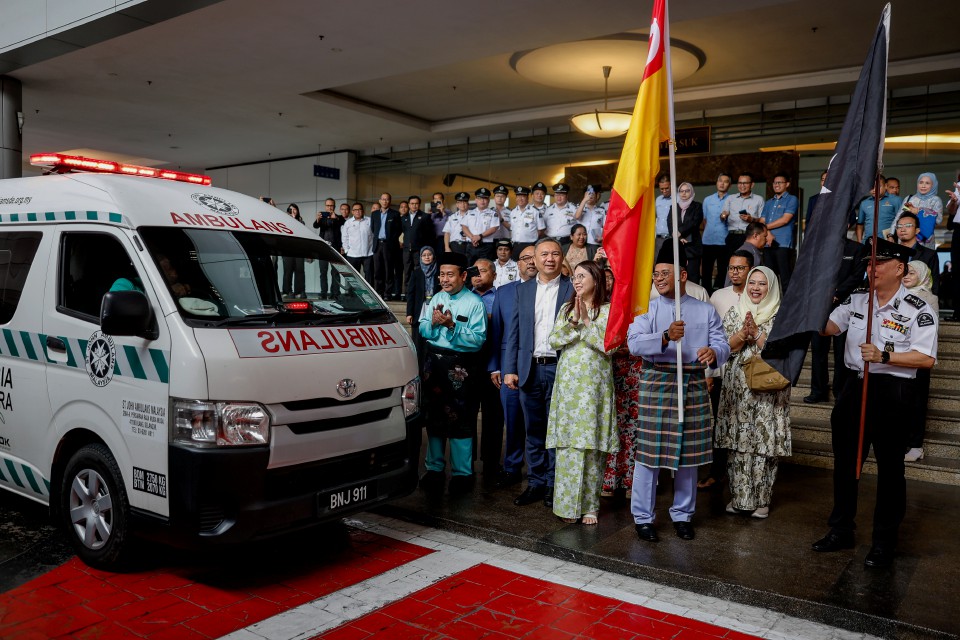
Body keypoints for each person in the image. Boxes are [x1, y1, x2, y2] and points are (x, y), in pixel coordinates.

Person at [812, 238, 937, 568]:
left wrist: (885, 356)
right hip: (855, 387)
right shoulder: (857, 300)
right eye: (869, 262)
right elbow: (827, 328)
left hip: (893, 391)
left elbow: (926, 358)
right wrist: (817, 302)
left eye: (879, 262)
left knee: (890, 470)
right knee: (845, 464)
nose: (871, 268)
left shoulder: (917, 309)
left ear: (899, 269)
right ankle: (841, 529)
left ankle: (884, 542)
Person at [626, 244, 729, 542]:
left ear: (682, 275)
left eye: (664, 273)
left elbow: (722, 343)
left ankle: (683, 515)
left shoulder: (705, 310)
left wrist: (714, 352)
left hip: (693, 382)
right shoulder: (647, 308)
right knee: (648, 455)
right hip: (656, 381)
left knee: (688, 454)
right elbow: (634, 343)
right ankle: (643, 518)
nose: (658, 279)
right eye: (655, 274)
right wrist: (664, 336)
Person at [503, 238, 574, 508]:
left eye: (555, 254)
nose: (549, 259)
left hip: (560, 368)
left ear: (561, 258)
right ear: (534, 259)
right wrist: (510, 369)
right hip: (529, 369)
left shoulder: (572, 288)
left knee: (557, 430)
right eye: (544, 254)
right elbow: (514, 332)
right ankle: (536, 482)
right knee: (533, 429)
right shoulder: (523, 290)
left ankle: (554, 485)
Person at [715, 266, 791, 519]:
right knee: (738, 444)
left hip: (768, 390)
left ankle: (761, 500)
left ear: (771, 287)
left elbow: (780, 351)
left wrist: (757, 334)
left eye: (762, 283)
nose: (755, 288)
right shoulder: (736, 311)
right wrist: (742, 334)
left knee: (763, 443)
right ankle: (740, 499)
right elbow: (723, 347)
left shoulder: (781, 315)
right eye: (752, 282)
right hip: (738, 389)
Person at [546, 261, 618, 525]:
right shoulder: (566, 309)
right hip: (568, 387)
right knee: (568, 446)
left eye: (581, 276)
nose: (576, 281)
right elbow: (554, 340)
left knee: (592, 447)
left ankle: (590, 506)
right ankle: (566, 507)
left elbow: (609, 347)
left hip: (595, 389)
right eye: (574, 277)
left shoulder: (608, 310)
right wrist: (574, 321)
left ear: (596, 280)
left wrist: (587, 321)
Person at [417, 252, 488, 495]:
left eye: (450, 275)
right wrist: (434, 323)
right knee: (434, 419)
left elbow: (478, 340)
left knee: (461, 421)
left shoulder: (475, 303)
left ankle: (462, 473)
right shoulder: (436, 298)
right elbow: (423, 328)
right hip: (433, 366)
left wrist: (451, 325)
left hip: (461, 368)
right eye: (441, 275)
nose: (444, 280)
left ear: (463, 276)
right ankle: (434, 469)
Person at [698, 249, 754, 490]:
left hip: (751, 370)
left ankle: (745, 475)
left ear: (751, 269)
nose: (734, 272)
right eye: (731, 268)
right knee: (721, 422)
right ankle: (717, 471)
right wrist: (709, 373)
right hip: (722, 370)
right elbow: (709, 337)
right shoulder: (718, 296)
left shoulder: (757, 294)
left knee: (747, 423)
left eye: (740, 268)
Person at [488, 245, 538, 489]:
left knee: (538, 424)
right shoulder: (504, 292)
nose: (531, 262)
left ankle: (540, 474)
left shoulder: (548, 291)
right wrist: (495, 367)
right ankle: (512, 468)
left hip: (539, 368)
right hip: (510, 368)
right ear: (517, 264)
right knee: (513, 422)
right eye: (526, 258)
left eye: (534, 257)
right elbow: (497, 332)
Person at [902, 260, 937, 463]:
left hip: (918, 358)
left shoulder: (929, 299)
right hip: (896, 358)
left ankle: (916, 446)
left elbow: (930, 331)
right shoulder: (896, 294)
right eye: (905, 272)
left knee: (917, 403)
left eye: (912, 273)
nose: (907, 276)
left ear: (922, 276)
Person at [760, 173, 798, 291]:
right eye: (775, 183)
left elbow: (785, 220)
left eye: (779, 182)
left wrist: (765, 228)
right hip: (767, 243)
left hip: (783, 243)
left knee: (785, 277)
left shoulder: (792, 199)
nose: (776, 185)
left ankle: (789, 302)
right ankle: (773, 302)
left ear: (787, 184)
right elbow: (762, 221)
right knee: (770, 277)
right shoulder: (768, 202)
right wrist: (768, 233)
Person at [406, 246, 439, 372]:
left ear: (433, 256)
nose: (427, 257)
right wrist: (409, 313)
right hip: (419, 310)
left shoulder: (438, 272)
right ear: (420, 257)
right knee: (418, 342)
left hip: (435, 309)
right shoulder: (417, 272)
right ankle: (418, 370)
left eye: (429, 254)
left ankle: (431, 370)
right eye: (424, 255)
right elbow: (411, 294)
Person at [721, 173, 765, 264]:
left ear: (752, 184)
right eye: (740, 183)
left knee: (748, 263)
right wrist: (723, 216)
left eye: (745, 183)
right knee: (730, 263)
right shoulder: (730, 198)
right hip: (732, 236)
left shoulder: (759, 199)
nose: (742, 185)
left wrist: (751, 219)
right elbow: (722, 217)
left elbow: (762, 221)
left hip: (748, 237)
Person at [701, 173, 732, 292]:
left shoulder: (732, 199)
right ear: (716, 183)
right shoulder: (707, 200)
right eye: (720, 181)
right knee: (706, 271)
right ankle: (706, 294)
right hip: (708, 240)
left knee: (723, 270)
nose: (722, 183)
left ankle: (720, 294)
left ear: (730, 185)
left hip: (724, 241)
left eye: (726, 181)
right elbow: (704, 220)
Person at [895, 211, 939, 294]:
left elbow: (934, 284)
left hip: (920, 297)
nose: (902, 229)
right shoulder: (891, 253)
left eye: (908, 226)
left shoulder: (929, 254)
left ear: (917, 230)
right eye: (899, 226)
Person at [668, 182, 704, 283]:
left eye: (687, 191)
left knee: (693, 277)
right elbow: (670, 222)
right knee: (678, 278)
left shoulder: (697, 206)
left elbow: (695, 222)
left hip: (692, 247)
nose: (684, 193)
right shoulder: (674, 207)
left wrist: (681, 232)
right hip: (678, 246)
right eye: (681, 191)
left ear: (691, 192)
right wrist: (677, 237)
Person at [897, 172, 943, 248]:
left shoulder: (936, 200)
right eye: (921, 182)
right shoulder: (909, 198)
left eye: (927, 183)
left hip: (925, 241)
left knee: (924, 255)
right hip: (906, 239)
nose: (923, 186)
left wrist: (919, 211)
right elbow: (899, 216)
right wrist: (891, 234)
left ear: (933, 185)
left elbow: (938, 220)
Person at [401, 195, 434, 301]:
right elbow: (403, 232)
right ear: (409, 204)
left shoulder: (425, 216)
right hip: (407, 249)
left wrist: (426, 249)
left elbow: (430, 234)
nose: (414, 205)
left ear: (419, 205)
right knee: (407, 272)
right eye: (412, 203)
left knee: (420, 272)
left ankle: (419, 293)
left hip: (420, 250)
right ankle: (407, 294)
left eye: (416, 203)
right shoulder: (404, 217)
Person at [371, 192, 402, 300]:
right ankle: (378, 293)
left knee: (389, 270)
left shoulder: (395, 214)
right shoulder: (374, 214)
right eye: (383, 199)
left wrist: (390, 239)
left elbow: (398, 230)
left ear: (390, 201)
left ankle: (387, 294)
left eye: (387, 199)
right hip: (377, 245)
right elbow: (373, 229)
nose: (385, 201)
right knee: (377, 271)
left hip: (389, 245)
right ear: (380, 201)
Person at [855, 177, 901, 243]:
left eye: (878, 186)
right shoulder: (864, 203)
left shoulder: (896, 200)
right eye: (871, 187)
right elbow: (860, 224)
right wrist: (860, 242)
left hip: (888, 242)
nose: (874, 189)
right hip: (868, 242)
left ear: (885, 186)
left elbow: (902, 221)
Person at [314, 199, 344, 299]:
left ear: (334, 207)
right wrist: (318, 219)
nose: (329, 207)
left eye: (331, 205)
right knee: (323, 272)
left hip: (335, 247)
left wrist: (335, 218)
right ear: (325, 206)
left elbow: (343, 223)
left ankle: (335, 293)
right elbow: (315, 225)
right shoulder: (322, 217)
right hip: (323, 247)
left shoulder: (339, 218)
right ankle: (323, 293)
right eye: (327, 205)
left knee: (335, 272)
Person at [461, 187, 499, 263]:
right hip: (471, 245)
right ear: (476, 199)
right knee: (470, 267)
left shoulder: (493, 214)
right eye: (480, 198)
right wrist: (472, 238)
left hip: (486, 246)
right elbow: (464, 227)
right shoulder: (469, 213)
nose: (482, 201)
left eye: (485, 198)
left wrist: (480, 236)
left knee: (485, 267)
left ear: (488, 200)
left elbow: (494, 228)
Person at [341, 202, 375, 282]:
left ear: (363, 211)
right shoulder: (348, 223)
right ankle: (353, 291)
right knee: (353, 278)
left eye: (359, 209)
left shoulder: (369, 221)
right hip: (353, 255)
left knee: (369, 276)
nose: (357, 211)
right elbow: (345, 238)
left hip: (368, 254)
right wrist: (347, 250)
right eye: (355, 210)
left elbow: (374, 235)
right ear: (352, 212)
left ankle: (369, 290)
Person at [282, 204, 306, 298]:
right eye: (291, 209)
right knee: (288, 270)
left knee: (299, 270)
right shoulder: (284, 221)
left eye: (295, 209)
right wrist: (289, 219)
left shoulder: (301, 221)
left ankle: (299, 292)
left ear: (298, 211)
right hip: (287, 249)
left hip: (299, 249)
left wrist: (294, 219)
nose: (293, 211)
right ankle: (287, 291)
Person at [574, 184, 605, 255]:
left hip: (594, 243)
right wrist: (584, 200)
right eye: (587, 194)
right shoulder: (579, 208)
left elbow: (606, 226)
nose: (590, 196)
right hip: (580, 243)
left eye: (592, 194)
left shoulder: (602, 211)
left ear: (597, 196)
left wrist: (602, 237)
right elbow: (577, 217)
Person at [544, 182, 577, 247]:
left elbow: (578, 226)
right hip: (550, 241)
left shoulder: (574, 209)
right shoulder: (548, 210)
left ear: (567, 196)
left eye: (561, 195)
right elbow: (544, 226)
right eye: (556, 195)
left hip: (567, 241)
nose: (559, 197)